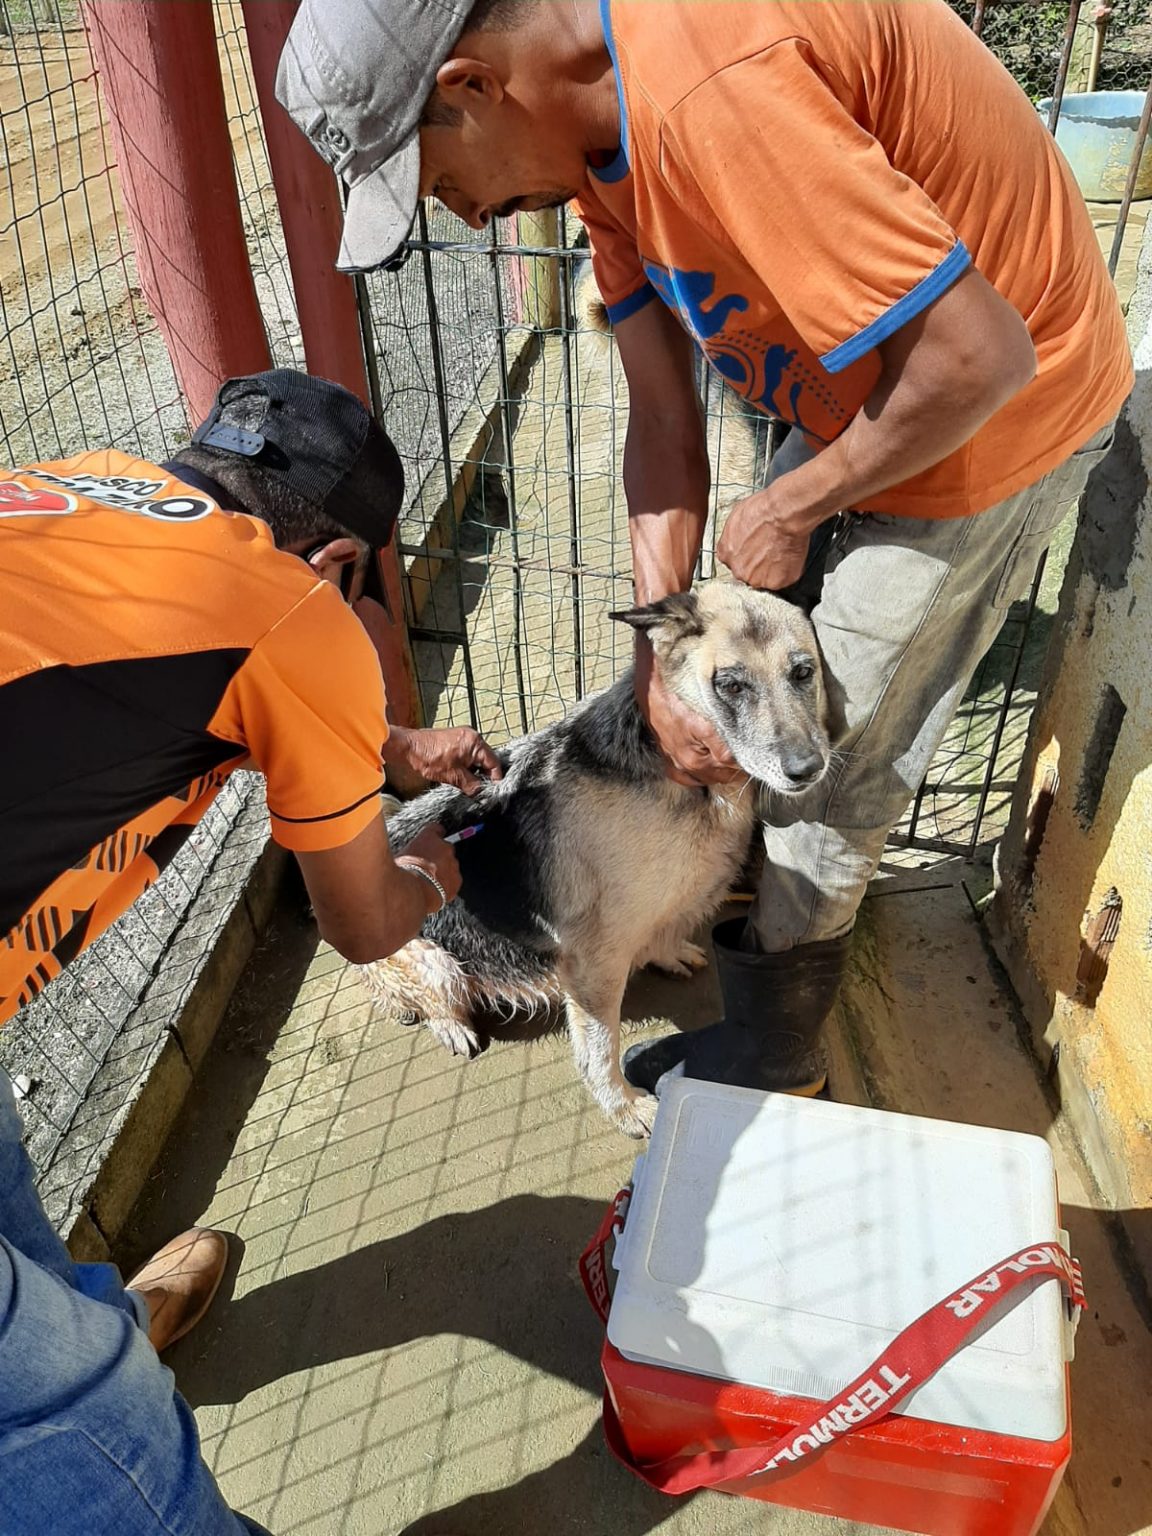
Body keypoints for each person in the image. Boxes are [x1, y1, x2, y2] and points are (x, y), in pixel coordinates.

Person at [278, 0, 1133, 1095]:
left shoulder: (709, 84)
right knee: (737, 687)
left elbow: (978, 357)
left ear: (471, 87)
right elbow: (665, 424)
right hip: (865, 399)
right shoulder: (594, 144)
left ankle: (778, 1053)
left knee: (822, 756)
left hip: (998, 411)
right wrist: (658, 656)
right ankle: (743, 902)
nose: (470, 215)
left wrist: (793, 508)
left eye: (438, 182)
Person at [0, 367, 499, 1534]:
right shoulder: (300, 617)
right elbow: (365, 924)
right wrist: (431, 869)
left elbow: (196, 652)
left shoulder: (95, 484)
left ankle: (82, 1314)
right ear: (333, 565)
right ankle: (87, 1386)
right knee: (71, 1409)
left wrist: (385, 744)